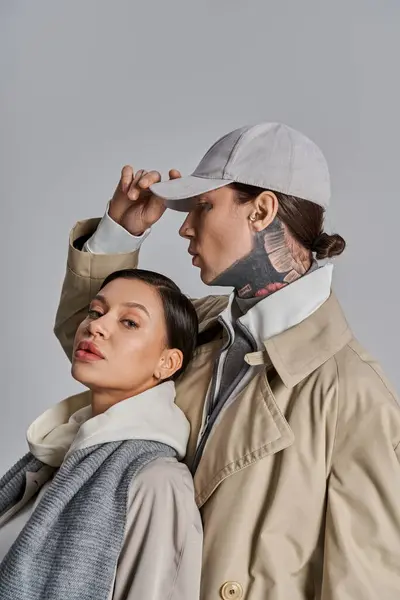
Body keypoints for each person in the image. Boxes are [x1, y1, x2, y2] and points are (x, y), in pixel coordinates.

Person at [54, 123, 400, 600]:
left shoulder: (353, 396)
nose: (184, 227)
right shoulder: (204, 326)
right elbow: (92, 339)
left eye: (203, 206)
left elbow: (364, 586)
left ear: (261, 211)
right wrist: (118, 234)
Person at [0, 269, 202, 600]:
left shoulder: (157, 481)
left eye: (130, 322)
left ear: (167, 363)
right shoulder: (54, 454)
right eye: (96, 311)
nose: (96, 326)